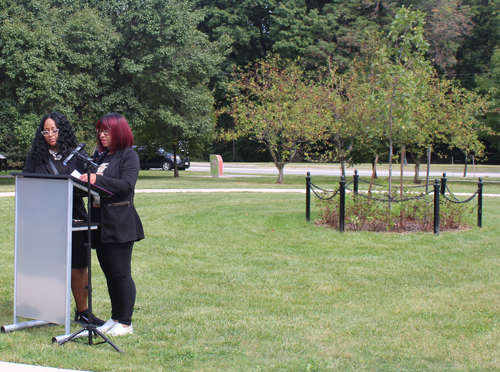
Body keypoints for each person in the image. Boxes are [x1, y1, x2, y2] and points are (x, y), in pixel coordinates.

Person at [23, 112, 105, 326]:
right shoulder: (36, 157)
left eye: (54, 130)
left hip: (75, 218)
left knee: (79, 266)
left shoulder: (77, 154)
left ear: (62, 130)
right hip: (45, 221)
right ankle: (48, 310)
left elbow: (90, 184)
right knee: (49, 266)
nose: (50, 134)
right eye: (46, 130)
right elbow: (27, 186)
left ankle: (83, 312)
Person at [80, 113, 144, 336]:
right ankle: (115, 316)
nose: (102, 134)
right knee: (108, 272)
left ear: (119, 131)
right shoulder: (101, 156)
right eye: (99, 130)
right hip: (99, 221)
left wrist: (98, 179)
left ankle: (126, 322)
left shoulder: (129, 156)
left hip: (119, 223)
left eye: (106, 130)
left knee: (120, 273)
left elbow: (126, 185)